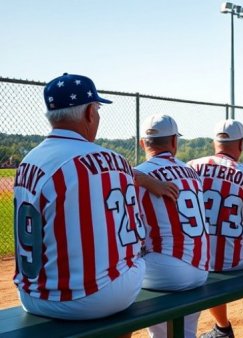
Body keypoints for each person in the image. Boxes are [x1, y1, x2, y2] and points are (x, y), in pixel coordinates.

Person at [13, 73, 146, 320]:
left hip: (31, 296)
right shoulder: (114, 160)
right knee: (135, 260)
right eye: (97, 108)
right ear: (89, 114)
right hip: (89, 299)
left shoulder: (27, 161)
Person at [187, 119, 243, 338]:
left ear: (215, 143)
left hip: (197, 260)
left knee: (208, 255)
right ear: (240, 144)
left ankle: (223, 327)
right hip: (236, 261)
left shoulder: (191, 167)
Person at [136, 114, 211, 338]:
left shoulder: (140, 172)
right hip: (202, 268)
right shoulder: (192, 173)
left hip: (165, 271)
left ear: (143, 143)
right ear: (174, 142)